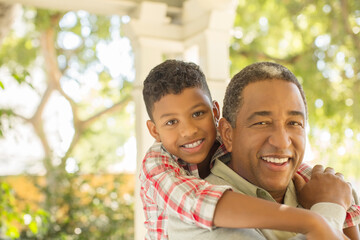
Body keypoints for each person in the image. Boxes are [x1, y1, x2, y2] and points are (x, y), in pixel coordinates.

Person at [140, 60, 360, 240]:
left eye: (294, 123)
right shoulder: (187, 210)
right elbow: (199, 203)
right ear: (228, 133)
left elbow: (335, 191)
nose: (189, 131)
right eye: (261, 123)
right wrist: (327, 212)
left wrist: (338, 197)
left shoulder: (315, 186)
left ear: (215, 115)